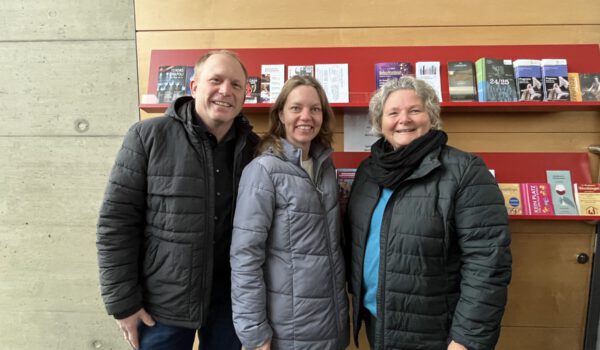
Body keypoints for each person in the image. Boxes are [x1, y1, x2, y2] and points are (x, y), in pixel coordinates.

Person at [96, 50, 259, 350]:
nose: (226, 91)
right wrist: (123, 303)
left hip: (230, 304)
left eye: (236, 85)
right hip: (162, 305)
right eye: (216, 80)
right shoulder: (148, 137)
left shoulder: (254, 149)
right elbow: (116, 224)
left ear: (245, 94)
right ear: (195, 86)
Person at [345, 76, 512, 350]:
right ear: (380, 122)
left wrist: (466, 339)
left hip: (435, 332)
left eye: (414, 110)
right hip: (378, 323)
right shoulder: (368, 171)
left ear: (431, 116)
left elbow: (488, 263)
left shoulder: (464, 170)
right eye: (393, 113)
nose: (404, 120)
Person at [230, 76, 349, 350]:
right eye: (296, 108)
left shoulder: (325, 167)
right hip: (286, 331)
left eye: (314, 109)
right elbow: (245, 257)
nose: (306, 116)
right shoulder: (263, 171)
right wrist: (254, 333)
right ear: (281, 114)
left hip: (331, 324)